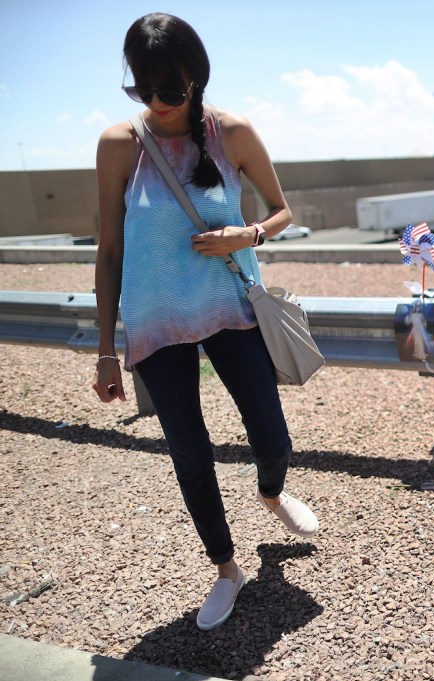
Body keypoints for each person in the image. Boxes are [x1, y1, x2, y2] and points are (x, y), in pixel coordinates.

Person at [92, 13, 318, 631]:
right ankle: (227, 569)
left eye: (171, 91)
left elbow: (282, 211)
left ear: (196, 79)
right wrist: (107, 351)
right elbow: (108, 251)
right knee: (189, 453)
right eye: (143, 91)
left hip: (230, 310)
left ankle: (270, 492)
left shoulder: (232, 133)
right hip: (156, 321)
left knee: (272, 437)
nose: (157, 105)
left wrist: (246, 234)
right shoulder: (118, 145)